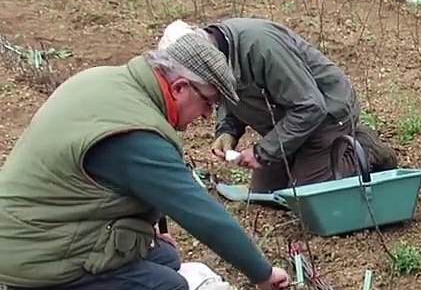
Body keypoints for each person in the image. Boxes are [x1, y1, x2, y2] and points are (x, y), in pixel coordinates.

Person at [0, 33, 293, 290]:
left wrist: (146, 229)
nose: (205, 116)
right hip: (30, 246)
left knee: (166, 257)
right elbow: (199, 212)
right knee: (167, 288)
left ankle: (43, 287)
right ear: (180, 87)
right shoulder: (136, 134)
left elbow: (103, 182)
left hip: (38, 224)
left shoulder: (106, 83)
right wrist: (262, 271)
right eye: (208, 103)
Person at [157, 18, 399, 195]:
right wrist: (227, 130)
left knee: (307, 195)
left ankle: (365, 147)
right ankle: (300, 157)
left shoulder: (261, 47)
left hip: (326, 116)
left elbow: (310, 106)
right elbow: (225, 89)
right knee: (265, 193)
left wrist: (264, 151)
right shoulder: (216, 54)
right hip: (286, 120)